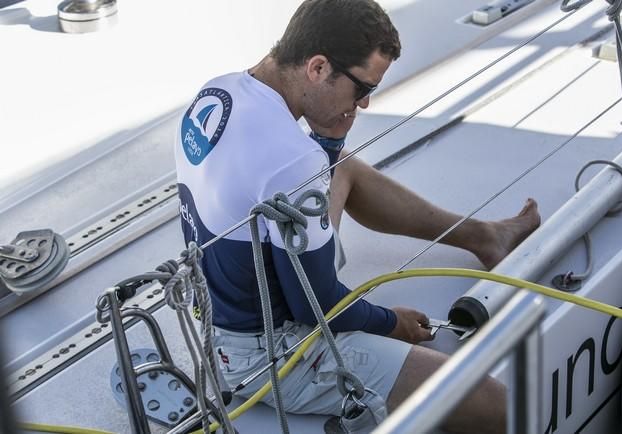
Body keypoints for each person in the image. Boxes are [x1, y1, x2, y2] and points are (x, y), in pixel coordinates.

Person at [174, 0, 540, 433]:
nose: (363, 104)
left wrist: (328, 147)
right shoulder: (293, 160)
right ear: (317, 67)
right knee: (503, 407)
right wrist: (392, 323)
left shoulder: (220, 91)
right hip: (270, 356)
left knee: (339, 164)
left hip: (219, 319)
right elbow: (319, 306)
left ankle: (482, 237)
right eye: (361, 88)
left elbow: (280, 190)